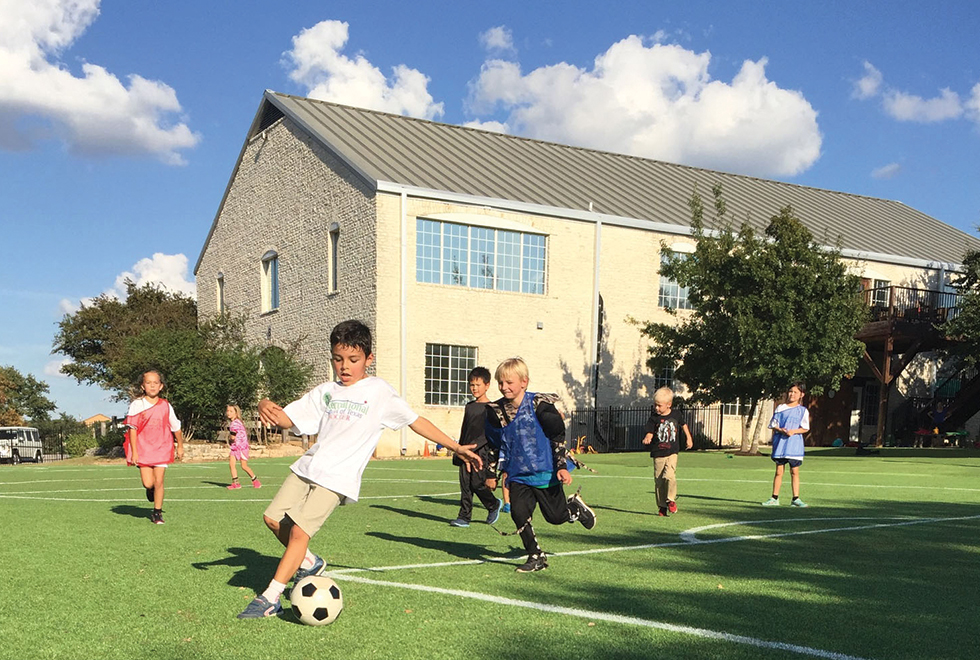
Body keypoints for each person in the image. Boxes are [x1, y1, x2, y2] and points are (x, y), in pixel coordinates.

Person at [237, 320, 483, 618]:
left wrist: (455, 446)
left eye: (353, 360)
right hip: (309, 465)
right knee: (273, 519)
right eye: (338, 359)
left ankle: (270, 597)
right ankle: (309, 563)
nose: (345, 366)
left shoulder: (379, 391)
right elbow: (288, 419)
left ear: (369, 358)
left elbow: (416, 420)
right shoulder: (326, 391)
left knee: (300, 532)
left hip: (337, 477)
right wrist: (265, 403)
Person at [484, 357, 595, 573]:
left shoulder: (540, 405)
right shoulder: (495, 411)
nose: (504, 387)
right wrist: (491, 473)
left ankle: (575, 509)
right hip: (518, 475)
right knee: (518, 513)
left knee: (556, 517)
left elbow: (557, 436)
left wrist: (562, 466)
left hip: (545, 471)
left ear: (524, 382)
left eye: (509, 382)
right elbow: (493, 444)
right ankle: (535, 556)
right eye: (501, 383)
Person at [124, 370, 184, 524]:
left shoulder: (166, 405)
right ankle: (150, 490)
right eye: (148, 383)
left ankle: (157, 512)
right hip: (143, 448)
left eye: (155, 383)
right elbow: (132, 429)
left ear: (161, 386)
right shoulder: (137, 405)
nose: (152, 386)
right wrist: (135, 452)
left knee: (159, 481)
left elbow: (176, 427)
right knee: (148, 483)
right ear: (143, 386)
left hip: (162, 447)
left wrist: (180, 446)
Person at [449, 367, 502, 527]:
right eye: (472, 385)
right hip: (466, 452)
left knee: (477, 484)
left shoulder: (492, 408)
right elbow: (465, 429)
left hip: (481, 452)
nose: (474, 388)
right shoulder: (469, 406)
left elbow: (491, 433)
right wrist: (459, 449)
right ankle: (464, 517)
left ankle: (493, 505)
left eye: (478, 385)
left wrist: (477, 447)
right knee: (465, 485)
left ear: (487, 385)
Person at [640, 387, 693, 517]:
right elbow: (650, 431)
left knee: (669, 476)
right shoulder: (654, 418)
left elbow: (683, 425)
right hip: (658, 453)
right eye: (655, 405)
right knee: (659, 482)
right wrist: (648, 437)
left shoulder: (676, 414)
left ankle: (670, 500)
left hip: (672, 452)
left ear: (669, 404)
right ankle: (662, 506)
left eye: (659, 405)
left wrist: (689, 437)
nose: (656, 408)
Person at [763, 382, 810, 507]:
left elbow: (805, 428)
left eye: (795, 392)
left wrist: (793, 431)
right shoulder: (780, 408)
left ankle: (796, 498)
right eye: (790, 391)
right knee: (779, 471)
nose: (792, 394)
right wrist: (781, 430)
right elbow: (773, 424)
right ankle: (774, 498)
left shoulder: (803, 411)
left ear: (801, 395)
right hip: (781, 445)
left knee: (794, 471)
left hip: (794, 446)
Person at [225, 405, 261, 490]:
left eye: (231, 411)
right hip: (235, 447)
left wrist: (230, 439)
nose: (228, 413)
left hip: (241, 447)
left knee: (244, 466)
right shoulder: (235, 422)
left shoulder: (235, 423)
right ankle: (236, 483)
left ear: (236, 413)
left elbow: (233, 436)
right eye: (228, 411)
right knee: (231, 464)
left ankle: (255, 480)